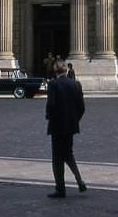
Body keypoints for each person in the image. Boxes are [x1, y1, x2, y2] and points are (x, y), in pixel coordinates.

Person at [45, 59, 87, 198]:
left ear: (55, 71)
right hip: (71, 126)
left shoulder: (53, 84)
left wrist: (50, 118)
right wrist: (74, 120)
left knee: (57, 158)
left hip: (57, 126)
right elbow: (81, 108)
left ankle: (60, 188)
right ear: (67, 70)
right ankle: (79, 179)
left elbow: (51, 105)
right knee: (68, 153)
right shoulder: (76, 85)